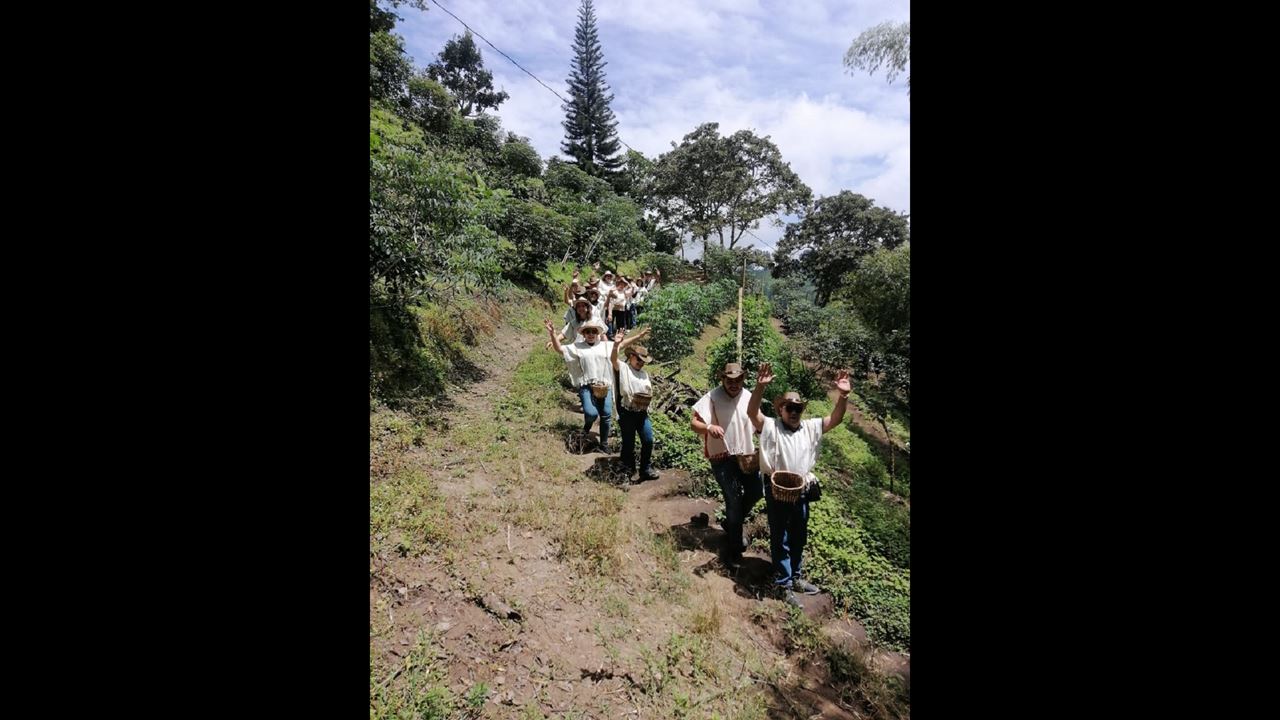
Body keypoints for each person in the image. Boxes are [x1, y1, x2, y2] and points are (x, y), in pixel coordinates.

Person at [745, 363, 851, 607]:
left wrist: (843, 395)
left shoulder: (810, 428)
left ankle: (795, 576)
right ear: (781, 409)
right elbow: (752, 413)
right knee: (780, 535)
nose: (794, 412)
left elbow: (835, 419)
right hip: (777, 489)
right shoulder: (771, 426)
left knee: (799, 534)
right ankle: (783, 583)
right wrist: (760, 387)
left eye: (798, 408)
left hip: (801, 489)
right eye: (789, 408)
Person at [691, 362, 762, 569]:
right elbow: (694, 423)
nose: (734, 384)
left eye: (738, 380)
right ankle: (734, 548)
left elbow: (758, 423)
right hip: (721, 457)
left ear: (743, 379)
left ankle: (731, 523)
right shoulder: (712, 397)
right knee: (733, 499)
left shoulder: (748, 397)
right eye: (729, 380)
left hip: (745, 455)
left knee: (757, 491)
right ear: (722, 379)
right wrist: (709, 427)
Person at [545, 317, 616, 452]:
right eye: (588, 332)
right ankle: (587, 427)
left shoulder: (605, 346)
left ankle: (604, 443)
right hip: (586, 386)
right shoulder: (577, 347)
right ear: (583, 334)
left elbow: (621, 346)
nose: (591, 334)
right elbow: (559, 349)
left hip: (604, 385)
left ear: (598, 333)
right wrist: (553, 334)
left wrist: (639, 336)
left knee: (606, 414)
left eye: (593, 331)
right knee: (591, 413)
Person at [611, 327, 658, 480]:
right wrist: (616, 344)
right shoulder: (623, 368)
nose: (640, 363)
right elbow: (613, 359)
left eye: (643, 361)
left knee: (648, 440)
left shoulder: (644, 374)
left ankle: (645, 468)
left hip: (642, 412)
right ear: (631, 356)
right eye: (638, 359)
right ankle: (627, 469)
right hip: (627, 412)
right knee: (628, 442)